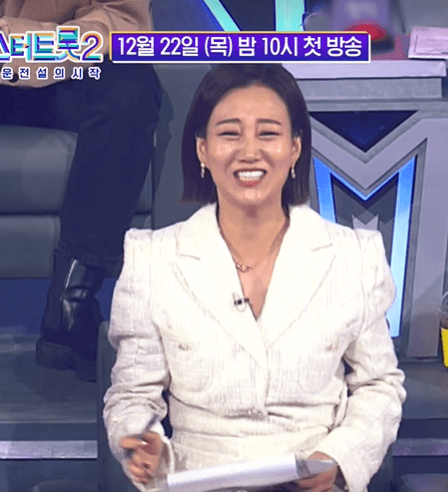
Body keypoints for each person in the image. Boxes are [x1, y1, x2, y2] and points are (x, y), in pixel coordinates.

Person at [103, 64, 406, 492]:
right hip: (199, 481)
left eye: (268, 133)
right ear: (203, 150)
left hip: (310, 480)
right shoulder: (152, 259)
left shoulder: (353, 257)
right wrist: (143, 443)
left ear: (295, 148)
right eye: (230, 133)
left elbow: (379, 386)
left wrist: (338, 457)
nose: (249, 151)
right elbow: (132, 396)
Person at [0, 0, 162, 377]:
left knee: (130, 85)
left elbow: (122, 20)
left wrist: (33, 42)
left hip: (59, 63)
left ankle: (71, 303)